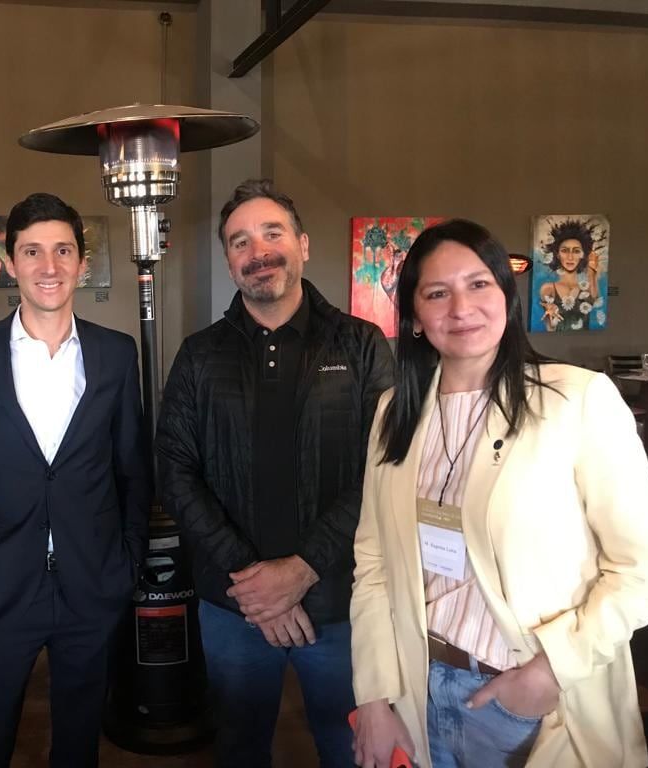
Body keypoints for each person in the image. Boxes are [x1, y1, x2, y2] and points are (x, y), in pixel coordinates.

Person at [350, 218, 648, 768]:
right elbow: (373, 562)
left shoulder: (577, 400)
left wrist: (550, 671)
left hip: (531, 698)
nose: (460, 307)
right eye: (437, 293)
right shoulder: (392, 414)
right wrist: (374, 694)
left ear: (506, 296)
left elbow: (640, 571)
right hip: (418, 688)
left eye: (478, 284)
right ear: (416, 317)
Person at [156, 179, 394, 767]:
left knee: (352, 749)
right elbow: (175, 471)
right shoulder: (199, 354)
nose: (257, 250)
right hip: (235, 605)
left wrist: (304, 567)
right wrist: (252, 579)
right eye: (240, 241)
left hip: (341, 600)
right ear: (230, 261)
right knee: (238, 748)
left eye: (272, 233)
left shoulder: (361, 344)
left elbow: (386, 471)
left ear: (303, 244)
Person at [0, 192, 150, 767]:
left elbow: (133, 467)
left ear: (83, 262)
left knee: (80, 743)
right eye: (32, 251)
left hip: (92, 583)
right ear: (9, 262)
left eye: (62, 251)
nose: (48, 266)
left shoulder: (115, 354)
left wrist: (125, 563)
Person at [537, 218, 603, 332]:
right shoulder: (548, 289)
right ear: (557, 254)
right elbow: (550, 328)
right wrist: (550, 316)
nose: (570, 257)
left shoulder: (587, 290)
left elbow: (594, 299)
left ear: (583, 255)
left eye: (576, 251)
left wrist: (592, 271)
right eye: (565, 250)